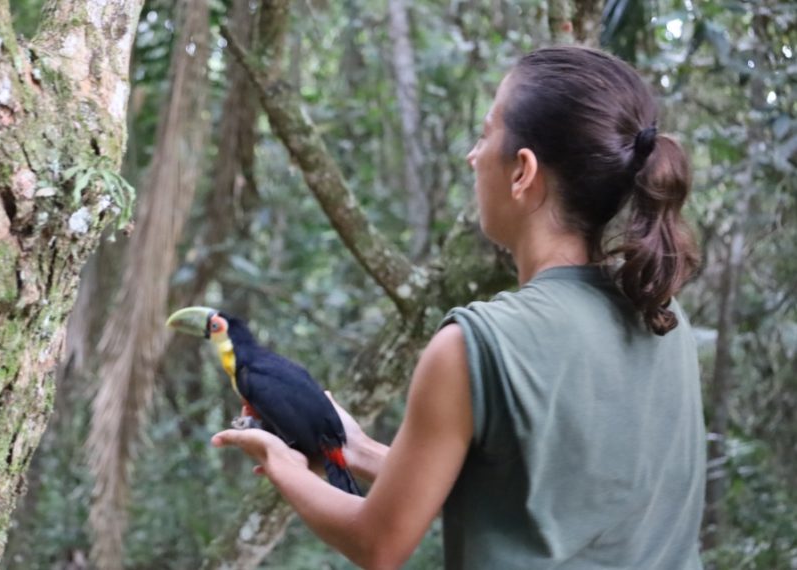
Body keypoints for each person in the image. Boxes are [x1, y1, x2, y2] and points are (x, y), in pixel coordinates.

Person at [211, 45, 706, 569]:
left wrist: (282, 462)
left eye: (486, 133)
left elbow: (378, 543)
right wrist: (357, 450)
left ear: (523, 171)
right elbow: (536, 503)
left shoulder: (475, 346)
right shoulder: (662, 316)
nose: (473, 156)